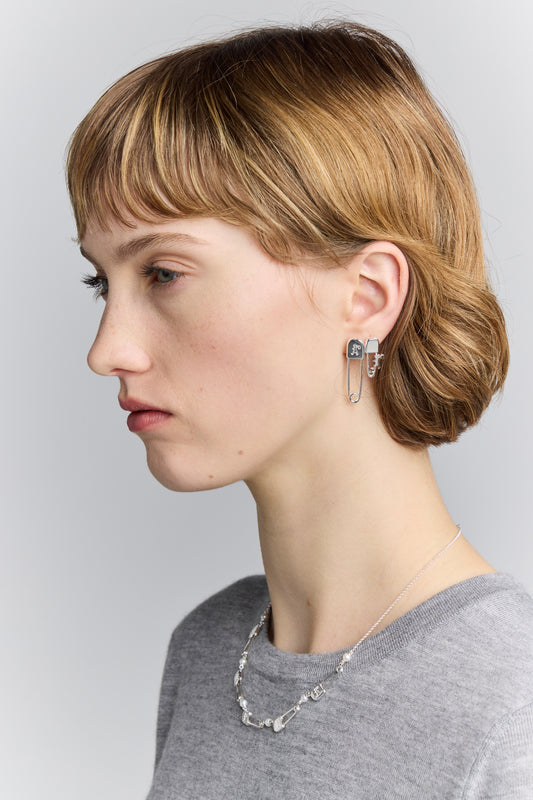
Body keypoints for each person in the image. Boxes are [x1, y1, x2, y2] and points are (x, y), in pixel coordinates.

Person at [66, 21, 533, 799]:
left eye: (164, 274)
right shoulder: (208, 650)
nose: (107, 349)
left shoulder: (511, 703)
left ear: (367, 295)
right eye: (100, 283)